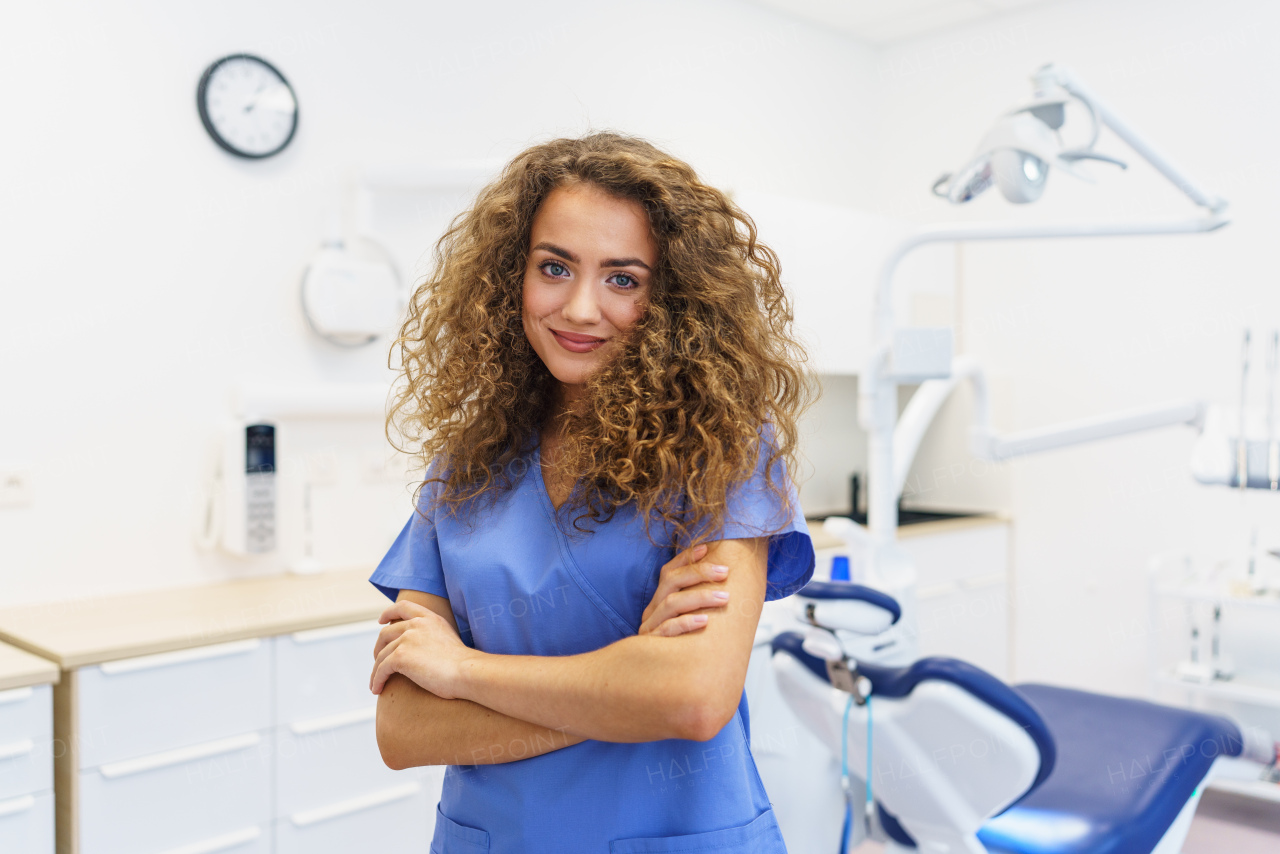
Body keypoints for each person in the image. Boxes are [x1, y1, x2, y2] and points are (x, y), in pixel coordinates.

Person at [367, 131, 817, 853]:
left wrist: (463, 671)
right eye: (554, 267)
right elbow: (405, 729)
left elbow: (694, 698)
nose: (579, 308)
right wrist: (627, 678)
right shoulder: (468, 464)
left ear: (673, 297)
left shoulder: (720, 448)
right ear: (511, 275)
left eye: (623, 278)